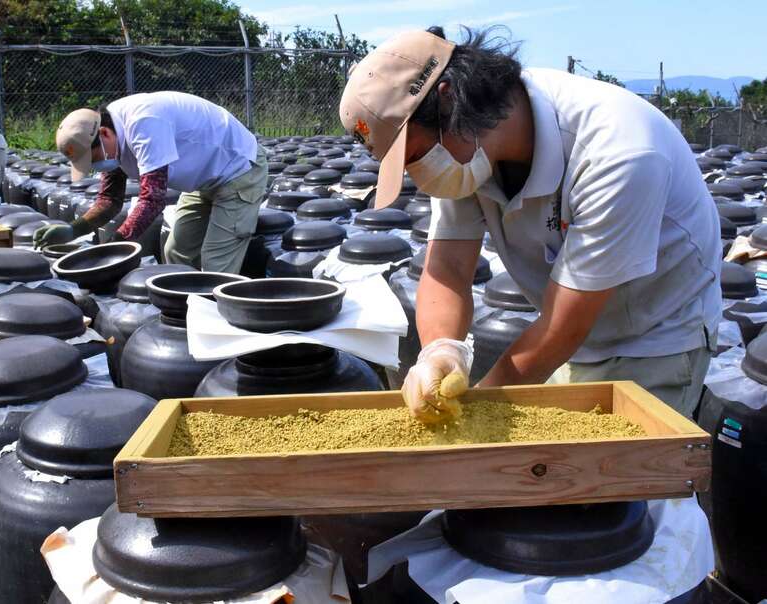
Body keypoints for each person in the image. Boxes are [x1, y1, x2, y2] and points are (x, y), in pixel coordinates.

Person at [339, 27, 720, 421]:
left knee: (630, 474)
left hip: (655, 335)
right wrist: (439, 352)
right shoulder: (466, 152)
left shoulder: (619, 152)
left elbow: (562, 327)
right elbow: (448, 267)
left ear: (450, 100)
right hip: (568, 331)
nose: (418, 176)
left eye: (414, 156)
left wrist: (477, 413)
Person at [35, 92, 268, 273]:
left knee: (216, 262)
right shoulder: (110, 139)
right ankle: (183, 310)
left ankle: (213, 320)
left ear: (104, 134)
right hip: (204, 178)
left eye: (93, 159)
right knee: (176, 251)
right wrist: (74, 229)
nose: (95, 166)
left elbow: (152, 200)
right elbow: (109, 200)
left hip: (238, 169)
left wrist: (113, 248)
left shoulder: (144, 123)